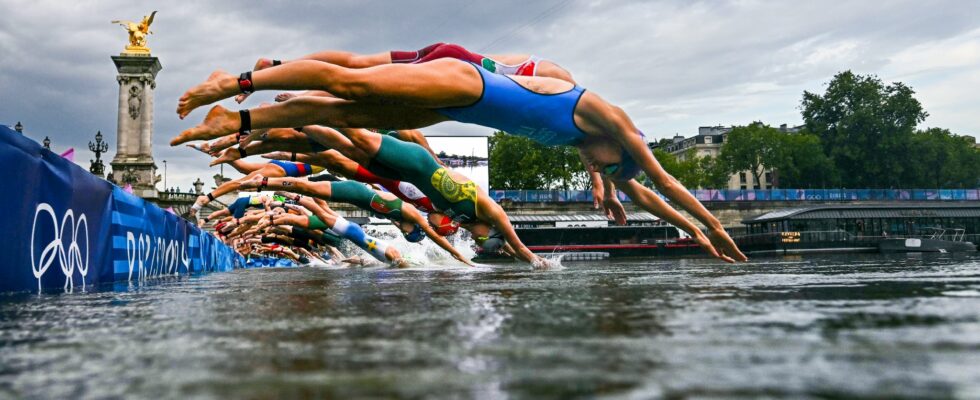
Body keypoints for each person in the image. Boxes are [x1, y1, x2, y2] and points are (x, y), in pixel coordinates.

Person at [174, 58, 747, 263]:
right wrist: (716, 225)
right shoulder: (609, 118)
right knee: (347, 83)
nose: (604, 172)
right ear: (621, 146)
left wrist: (695, 236)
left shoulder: (593, 149)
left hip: (457, 109)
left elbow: (646, 193)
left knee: (350, 115)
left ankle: (241, 125)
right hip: (464, 79)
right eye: (613, 169)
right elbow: (663, 178)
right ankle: (238, 83)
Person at [238, 174, 473, 266]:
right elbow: (433, 236)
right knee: (319, 206)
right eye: (407, 232)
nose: (403, 232)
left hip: (359, 213)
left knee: (321, 211)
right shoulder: (410, 214)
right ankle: (274, 186)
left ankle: (285, 195)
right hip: (356, 194)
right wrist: (459, 256)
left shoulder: (399, 221)